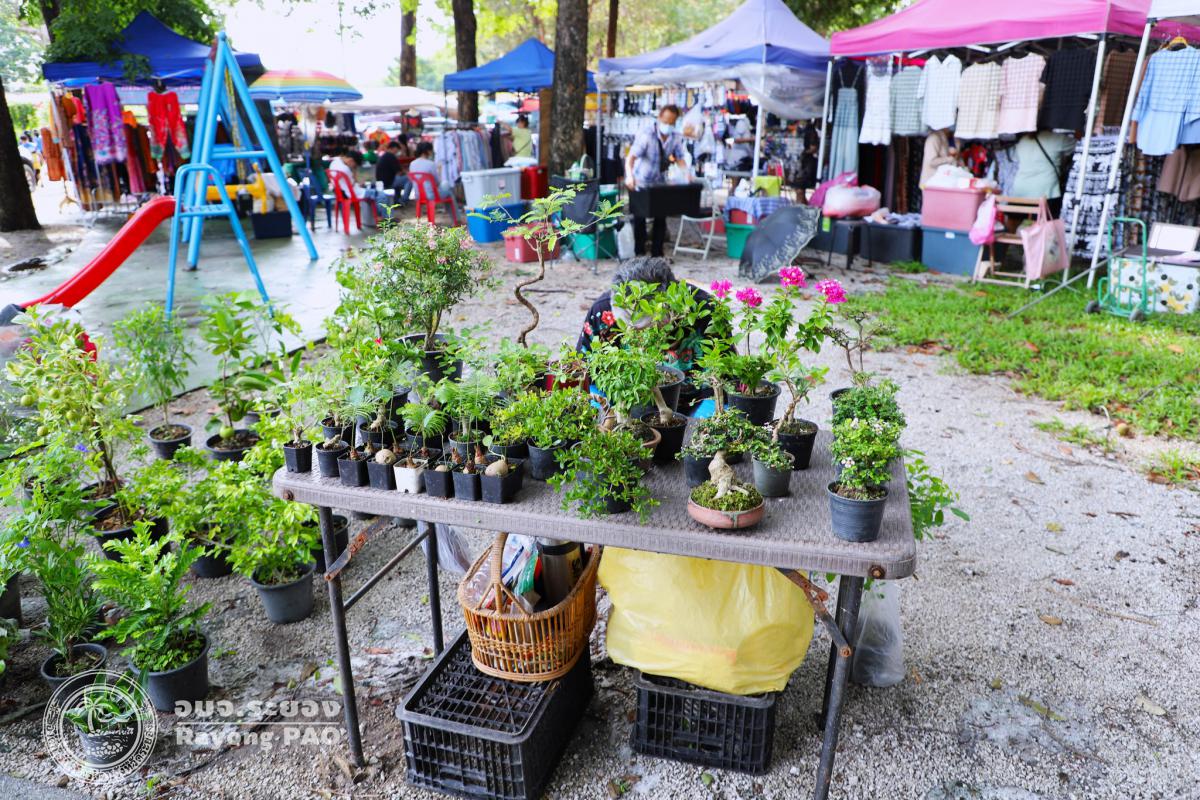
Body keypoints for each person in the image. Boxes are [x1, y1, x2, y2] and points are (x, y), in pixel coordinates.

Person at [576, 256, 725, 379]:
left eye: (646, 327)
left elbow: (724, 381)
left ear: (672, 305)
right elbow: (583, 373)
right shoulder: (602, 311)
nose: (636, 336)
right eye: (625, 324)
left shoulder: (705, 311)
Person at [625, 105, 687, 257]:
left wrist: (687, 175)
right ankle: (639, 253)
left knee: (661, 217)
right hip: (640, 181)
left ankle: (657, 253)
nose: (668, 125)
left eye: (671, 122)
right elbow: (631, 158)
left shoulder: (675, 137)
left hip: (659, 182)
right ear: (659, 118)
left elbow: (680, 158)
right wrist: (629, 176)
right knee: (639, 217)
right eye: (665, 121)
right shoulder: (647, 135)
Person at [1012, 131, 1075, 217]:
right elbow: (1078, 146)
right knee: (1046, 223)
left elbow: (1016, 158)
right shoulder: (1057, 138)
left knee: (1016, 221)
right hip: (1046, 191)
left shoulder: (1022, 141)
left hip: (1021, 189)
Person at [327, 150, 389, 222]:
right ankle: (385, 219)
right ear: (351, 160)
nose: (354, 167)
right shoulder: (346, 169)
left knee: (373, 194)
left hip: (340, 192)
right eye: (355, 165)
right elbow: (354, 182)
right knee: (381, 195)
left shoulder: (334, 162)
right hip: (352, 193)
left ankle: (378, 218)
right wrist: (354, 171)